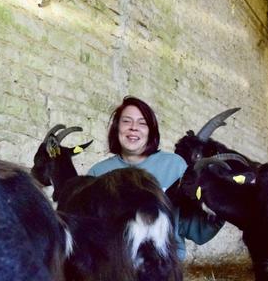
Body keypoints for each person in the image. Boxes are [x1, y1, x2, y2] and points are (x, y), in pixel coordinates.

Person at [87, 96, 223, 260]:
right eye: (126, 121)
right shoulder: (97, 173)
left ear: (151, 130)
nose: (134, 128)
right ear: (116, 128)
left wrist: (221, 208)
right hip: (113, 269)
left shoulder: (174, 166)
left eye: (142, 123)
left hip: (163, 266)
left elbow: (190, 225)